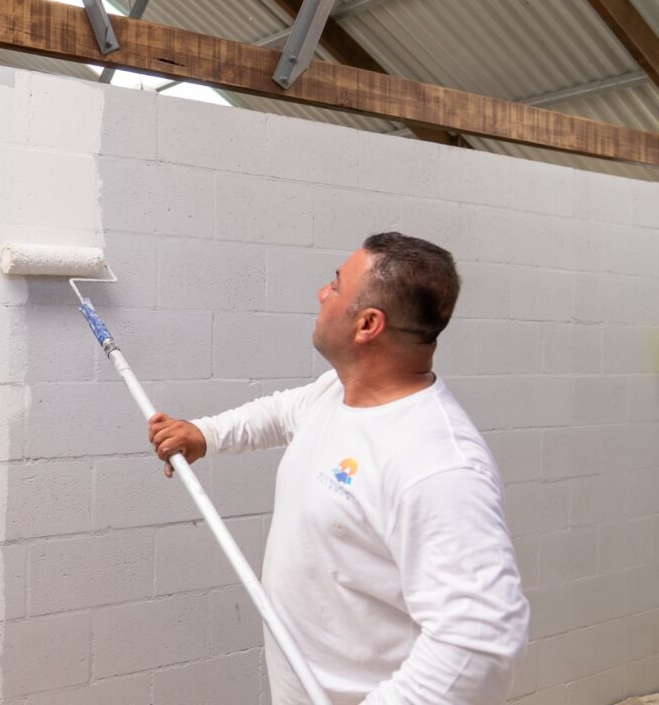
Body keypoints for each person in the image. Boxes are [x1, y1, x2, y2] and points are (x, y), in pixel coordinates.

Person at [148, 232, 529, 705]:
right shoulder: (338, 392)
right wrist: (205, 433)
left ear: (368, 324)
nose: (321, 293)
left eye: (335, 285)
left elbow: (481, 645)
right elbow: (282, 411)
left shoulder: (437, 464)